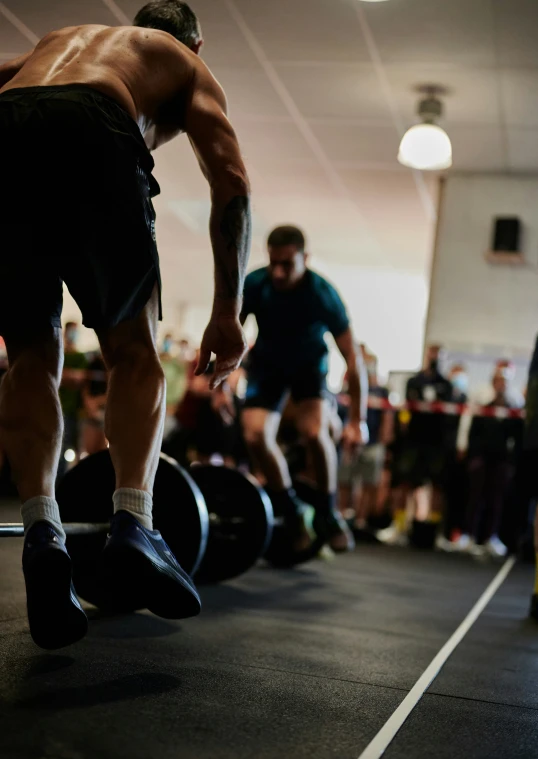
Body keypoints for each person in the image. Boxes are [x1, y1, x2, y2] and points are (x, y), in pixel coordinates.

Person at [0, 1, 250, 649]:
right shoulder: (182, 61)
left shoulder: (55, 44)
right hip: (95, 127)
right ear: (198, 42)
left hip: (8, 129)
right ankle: (135, 522)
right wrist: (226, 311)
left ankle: (42, 531)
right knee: (133, 355)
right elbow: (231, 180)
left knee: (30, 356)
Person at [240, 225, 368, 555]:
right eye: (274, 263)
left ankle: (328, 512)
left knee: (313, 432)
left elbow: (353, 359)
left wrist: (357, 419)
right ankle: (291, 509)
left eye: (288, 264)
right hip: (268, 365)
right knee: (255, 435)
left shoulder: (321, 292)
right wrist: (217, 380)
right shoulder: (255, 283)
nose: (279, 272)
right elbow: (230, 331)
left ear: (305, 258)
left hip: (309, 369)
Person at [380, 345, 453, 546]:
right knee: (405, 483)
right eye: (432, 355)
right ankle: (400, 525)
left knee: (436, 486)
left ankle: (433, 531)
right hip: (414, 440)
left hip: (436, 443)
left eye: (439, 355)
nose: (435, 359)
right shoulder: (415, 381)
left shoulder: (446, 385)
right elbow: (407, 411)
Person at [454, 371, 518, 558]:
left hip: (500, 462)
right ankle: (468, 535)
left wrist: (509, 462)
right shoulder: (483, 407)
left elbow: (515, 438)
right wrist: (473, 456)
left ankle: (490, 536)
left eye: (504, 382)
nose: (501, 385)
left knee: (495, 501)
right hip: (481, 459)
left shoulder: (511, 409)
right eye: (498, 381)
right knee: (475, 498)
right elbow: (473, 431)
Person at [338, 352, 392, 532]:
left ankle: (361, 521)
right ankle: (341, 517)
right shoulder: (348, 388)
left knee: (369, 483)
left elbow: (387, 417)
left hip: (373, 442)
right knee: (345, 480)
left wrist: (384, 440)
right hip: (351, 441)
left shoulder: (382, 392)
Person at [58, 322, 88, 473]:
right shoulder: (58, 354)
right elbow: (56, 377)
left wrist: (64, 375)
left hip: (75, 410)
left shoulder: (80, 357)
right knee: (60, 449)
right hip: (59, 408)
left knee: (77, 448)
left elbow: (80, 379)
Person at [159, 333, 188, 441]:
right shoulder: (158, 361)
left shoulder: (178, 366)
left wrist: (173, 406)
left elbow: (180, 387)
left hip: (169, 408)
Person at [80, 350, 108, 456]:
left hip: (104, 413)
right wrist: (89, 404)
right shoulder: (92, 363)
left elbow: (113, 390)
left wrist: (97, 401)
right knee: (89, 450)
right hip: (90, 414)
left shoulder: (113, 365)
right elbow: (85, 386)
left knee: (102, 453)